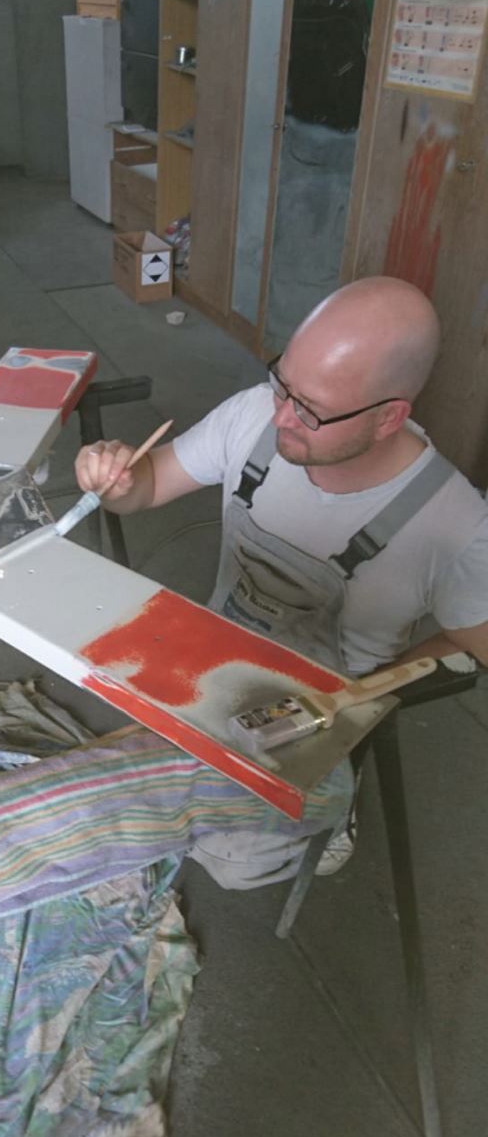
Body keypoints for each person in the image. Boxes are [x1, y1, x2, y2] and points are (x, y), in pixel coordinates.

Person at [74, 277, 488, 889]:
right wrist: (116, 478)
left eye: (311, 409)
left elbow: (477, 643)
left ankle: (340, 800)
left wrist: (370, 698)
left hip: (317, 712)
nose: (282, 416)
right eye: (283, 383)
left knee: (234, 862)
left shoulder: (457, 525)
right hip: (208, 660)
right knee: (106, 790)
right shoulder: (253, 416)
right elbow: (150, 485)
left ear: (389, 417)